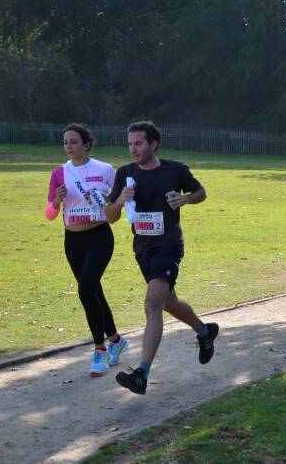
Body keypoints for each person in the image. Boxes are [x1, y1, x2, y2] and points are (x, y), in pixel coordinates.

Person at [105, 121, 218, 395]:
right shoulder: (125, 173)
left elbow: (201, 192)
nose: (133, 149)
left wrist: (185, 200)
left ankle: (142, 373)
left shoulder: (174, 170)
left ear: (153, 144)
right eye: (130, 143)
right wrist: (120, 200)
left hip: (169, 245)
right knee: (169, 302)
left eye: (139, 143)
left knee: (152, 302)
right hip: (142, 248)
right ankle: (204, 332)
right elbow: (110, 216)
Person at [45, 124, 128, 377]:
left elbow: (116, 205)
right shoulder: (59, 173)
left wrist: (111, 203)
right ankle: (116, 340)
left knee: (85, 289)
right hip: (73, 241)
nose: (69, 147)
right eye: (65, 142)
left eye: (73, 142)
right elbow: (50, 214)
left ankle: (100, 350)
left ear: (86, 144)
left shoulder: (104, 170)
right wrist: (57, 200)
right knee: (94, 291)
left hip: (99, 237)